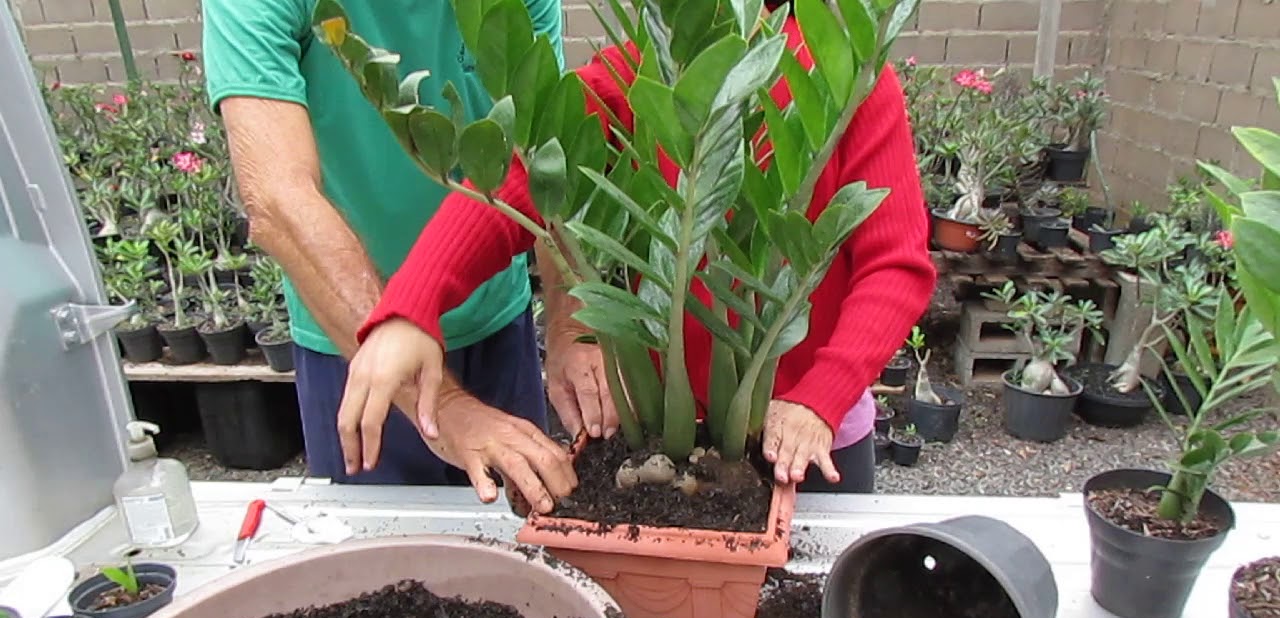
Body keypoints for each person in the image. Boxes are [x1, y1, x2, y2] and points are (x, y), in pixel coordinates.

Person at [336, 1, 937, 512]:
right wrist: (411, 306)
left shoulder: (842, 79)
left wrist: (820, 397)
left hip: (809, 438)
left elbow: (896, 264)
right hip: (656, 448)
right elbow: (526, 177)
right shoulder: (644, 71)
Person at [201, 0, 588, 502]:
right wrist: (443, 407)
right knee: (383, 562)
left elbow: (544, 151)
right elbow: (278, 200)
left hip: (496, 328)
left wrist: (570, 328)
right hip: (355, 345)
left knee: (521, 540)